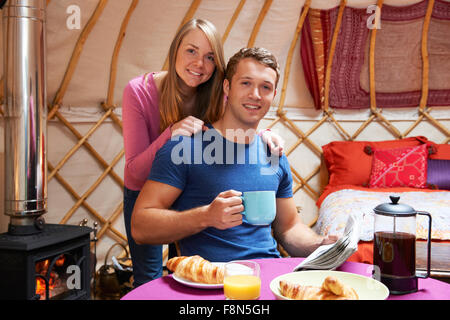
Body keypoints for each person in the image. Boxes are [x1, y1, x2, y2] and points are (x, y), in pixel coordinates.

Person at [131, 47, 336, 263]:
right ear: (227, 86)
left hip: (268, 279)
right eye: (246, 83)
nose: (255, 95)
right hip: (212, 283)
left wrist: (319, 245)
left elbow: (289, 227)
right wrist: (205, 216)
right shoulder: (185, 148)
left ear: (273, 95)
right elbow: (140, 227)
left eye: (265, 87)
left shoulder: (273, 154)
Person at [122, 20, 284, 286]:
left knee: (187, 266)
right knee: (148, 276)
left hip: (188, 184)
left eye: (209, 57)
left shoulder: (215, 91)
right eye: (191, 51)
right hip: (145, 189)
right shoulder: (140, 92)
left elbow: (243, 114)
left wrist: (264, 133)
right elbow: (135, 172)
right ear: (175, 50)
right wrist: (170, 134)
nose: (199, 64)